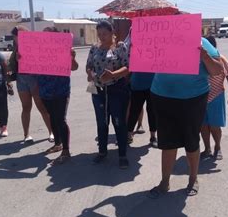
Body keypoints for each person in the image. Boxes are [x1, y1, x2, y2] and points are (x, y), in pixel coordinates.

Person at [148, 38, 223, 198]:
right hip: (162, 96)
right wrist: (140, 49)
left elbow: (218, 70)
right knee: (167, 142)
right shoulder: (160, 40)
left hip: (193, 99)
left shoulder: (203, 44)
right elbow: (145, 61)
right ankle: (164, 182)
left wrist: (204, 57)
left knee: (191, 141)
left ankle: (193, 179)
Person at [86, 20, 130, 169]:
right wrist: (90, 74)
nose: (101, 37)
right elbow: (89, 66)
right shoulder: (94, 48)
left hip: (116, 90)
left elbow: (127, 67)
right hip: (98, 91)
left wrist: (113, 75)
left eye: (104, 34)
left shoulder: (120, 47)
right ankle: (102, 152)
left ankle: (122, 155)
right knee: (101, 122)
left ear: (112, 33)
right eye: (99, 34)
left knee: (118, 122)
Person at [37, 27, 79, 165]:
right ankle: (57, 144)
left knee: (60, 119)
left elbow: (74, 67)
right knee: (52, 118)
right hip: (45, 91)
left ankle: (66, 151)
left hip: (61, 91)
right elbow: (29, 68)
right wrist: (22, 58)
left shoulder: (64, 49)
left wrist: (71, 57)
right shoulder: (39, 50)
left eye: (49, 35)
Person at [8, 26, 53, 143]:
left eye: (16, 36)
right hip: (21, 78)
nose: (16, 38)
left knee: (42, 107)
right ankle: (26, 135)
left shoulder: (34, 44)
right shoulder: (16, 47)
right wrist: (16, 60)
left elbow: (43, 60)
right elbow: (11, 64)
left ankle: (51, 132)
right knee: (26, 107)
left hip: (34, 78)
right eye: (15, 37)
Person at [200, 35, 228, 160]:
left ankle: (217, 147)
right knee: (203, 126)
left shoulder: (220, 59)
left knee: (215, 126)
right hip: (200, 97)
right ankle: (207, 148)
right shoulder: (198, 59)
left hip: (216, 96)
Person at [127, 72, 157, 147]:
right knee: (134, 111)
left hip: (153, 85)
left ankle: (153, 137)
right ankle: (129, 135)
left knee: (152, 112)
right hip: (137, 85)